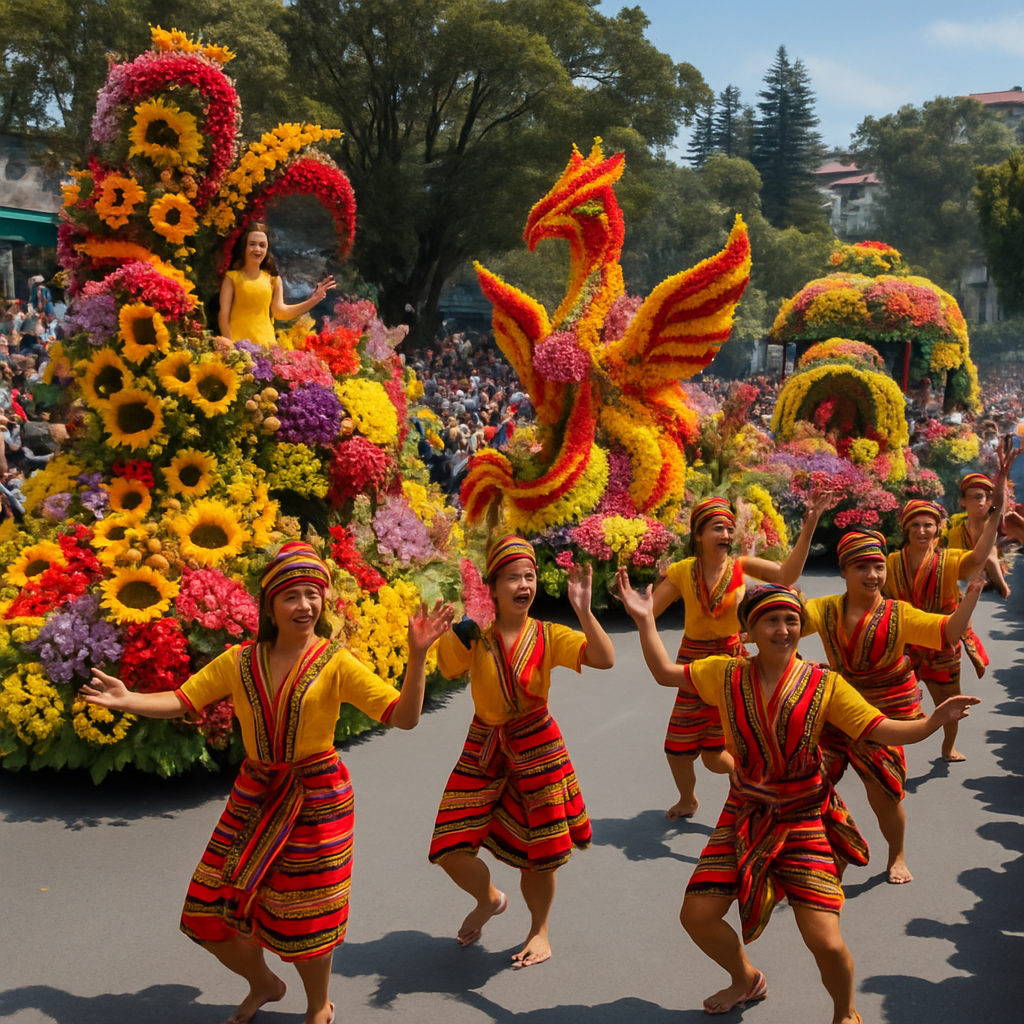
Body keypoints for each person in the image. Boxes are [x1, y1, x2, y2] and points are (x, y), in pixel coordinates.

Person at [83, 541, 453, 1024]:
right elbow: (182, 700)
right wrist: (130, 699)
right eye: (292, 596)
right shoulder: (239, 661)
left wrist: (418, 657)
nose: (305, 606)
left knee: (308, 915)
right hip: (255, 795)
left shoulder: (336, 663)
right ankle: (264, 983)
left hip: (318, 799)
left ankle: (319, 1005)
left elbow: (403, 718)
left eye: (312, 594)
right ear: (270, 604)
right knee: (206, 913)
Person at [616, 574, 979, 1024]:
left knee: (825, 940)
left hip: (804, 818)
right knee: (697, 915)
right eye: (771, 620)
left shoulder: (824, 685)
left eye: (791, 619)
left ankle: (845, 1013)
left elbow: (880, 728)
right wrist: (644, 620)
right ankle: (746, 978)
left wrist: (931, 723)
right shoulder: (724, 672)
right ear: (748, 631)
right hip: (744, 815)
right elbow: (665, 673)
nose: (783, 629)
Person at [428, 536, 614, 968]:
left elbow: (603, 659)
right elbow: (446, 666)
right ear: (492, 587)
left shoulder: (548, 634)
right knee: (449, 846)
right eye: (513, 577)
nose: (523, 584)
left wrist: (584, 611)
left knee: (541, 856)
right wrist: (466, 623)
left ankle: (539, 931)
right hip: (485, 746)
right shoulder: (476, 635)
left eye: (529, 576)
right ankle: (489, 899)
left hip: (538, 747)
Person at [803, 530, 985, 884]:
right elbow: (781, 627)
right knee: (808, 782)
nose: (872, 575)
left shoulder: (898, 614)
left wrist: (970, 599)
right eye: (861, 567)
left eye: (877, 566)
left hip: (886, 716)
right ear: (843, 571)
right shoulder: (822, 609)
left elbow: (947, 632)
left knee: (883, 795)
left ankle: (896, 854)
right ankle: (831, 847)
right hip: (837, 709)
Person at [650, 492, 831, 819]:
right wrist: (636, 609)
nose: (726, 536)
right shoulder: (682, 571)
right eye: (718, 528)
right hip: (691, 663)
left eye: (729, 529)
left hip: (730, 662)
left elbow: (786, 576)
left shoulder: (741, 567)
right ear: (699, 534)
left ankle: (758, 784)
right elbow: (649, 611)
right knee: (676, 749)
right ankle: (688, 798)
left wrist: (810, 525)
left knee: (717, 753)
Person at [884, 440, 1014, 760]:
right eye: (915, 525)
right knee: (889, 698)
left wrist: (996, 504)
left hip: (943, 641)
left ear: (937, 529)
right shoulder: (890, 563)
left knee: (950, 701)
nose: (922, 530)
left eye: (928, 525)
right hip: (906, 641)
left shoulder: (950, 559)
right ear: (905, 529)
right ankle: (885, 748)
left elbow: (982, 552)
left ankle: (948, 746)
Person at [218, 222, 335, 347]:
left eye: (262, 245)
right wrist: (228, 344)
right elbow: (223, 314)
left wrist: (313, 300)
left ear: (267, 249)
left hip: (266, 345)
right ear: (244, 248)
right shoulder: (232, 278)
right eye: (252, 244)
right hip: (238, 344)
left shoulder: (273, 280)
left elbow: (281, 313)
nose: (257, 249)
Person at [944, 471, 1011, 597]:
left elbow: (999, 505)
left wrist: (1001, 477)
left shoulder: (993, 520)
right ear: (963, 501)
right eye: (977, 497)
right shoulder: (956, 528)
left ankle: (997, 583)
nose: (982, 503)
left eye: (987, 497)